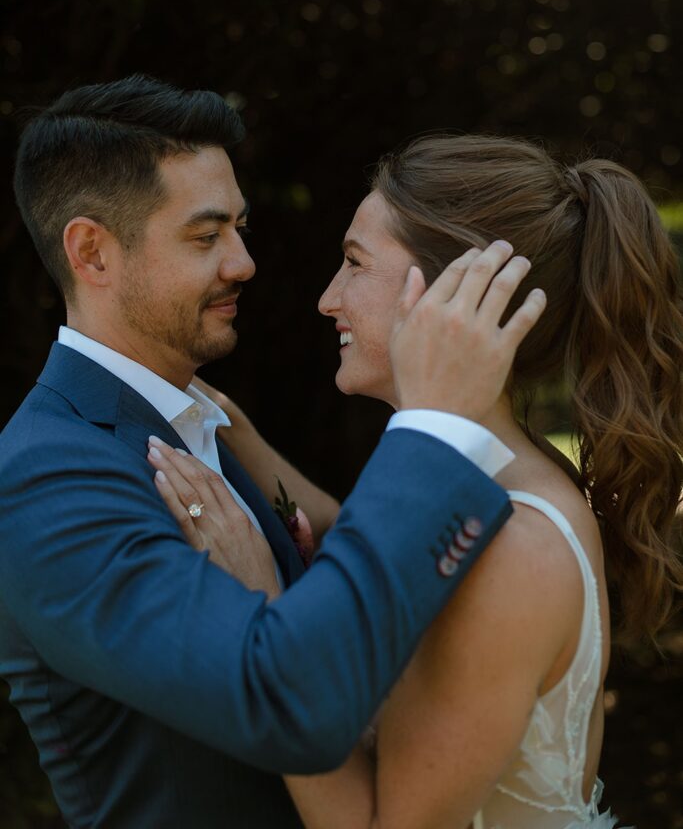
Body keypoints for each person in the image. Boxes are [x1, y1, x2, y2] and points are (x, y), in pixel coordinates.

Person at [0, 80, 547, 829]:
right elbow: (286, 707)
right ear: (93, 252)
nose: (244, 262)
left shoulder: (204, 426)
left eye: (240, 228)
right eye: (206, 236)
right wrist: (434, 431)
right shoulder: (45, 476)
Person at [153, 134, 683, 828]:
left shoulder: (514, 548)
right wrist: (235, 435)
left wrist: (259, 607)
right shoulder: (503, 472)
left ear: (454, 292)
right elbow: (377, 548)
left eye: (353, 263)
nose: (326, 299)